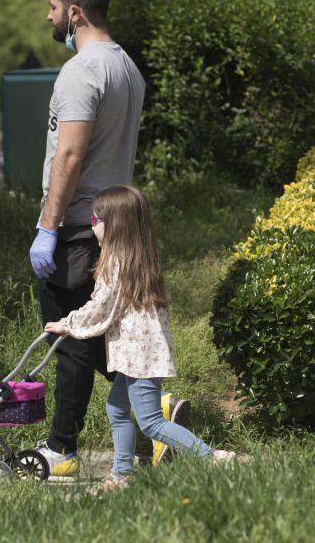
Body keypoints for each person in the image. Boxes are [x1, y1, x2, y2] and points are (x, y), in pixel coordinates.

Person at [29, 0, 186, 478]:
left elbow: (70, 155)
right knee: (100, 334)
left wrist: (49, 226)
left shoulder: (81, 71)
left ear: (75, 12)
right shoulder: (127, 68)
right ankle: (155, 412)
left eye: (54, 7)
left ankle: (62, 450)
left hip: (77, 225)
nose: (49, 15)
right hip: (111, 223)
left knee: (70, 338)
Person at [44, 186, 235, 489]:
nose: (92, 227)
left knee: (150, 422)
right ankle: (122, 474)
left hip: (139, 356)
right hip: (139, 352)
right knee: (116, 408)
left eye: (96, 221)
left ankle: (212, 457)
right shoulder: (138, 257)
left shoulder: (116, 265)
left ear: (114, 225)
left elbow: (102, 307)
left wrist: (67, 323)